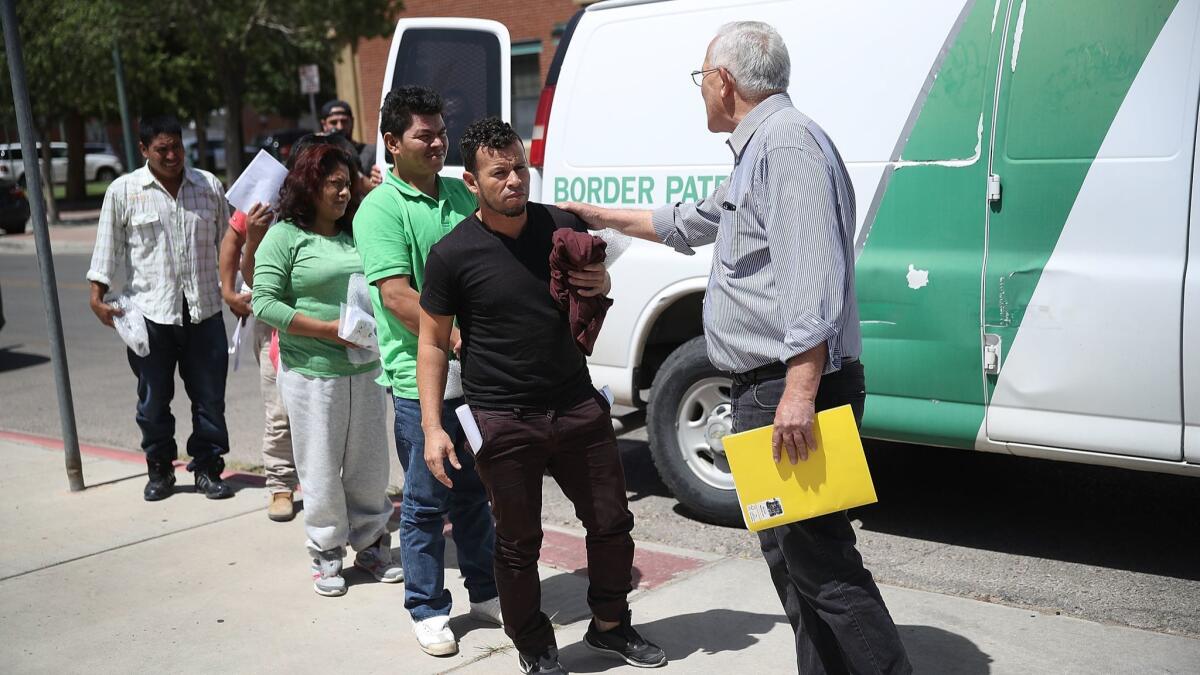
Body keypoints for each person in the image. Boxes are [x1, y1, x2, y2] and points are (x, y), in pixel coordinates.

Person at [559, 21, 912, 675]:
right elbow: (696, 218)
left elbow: (813, 281)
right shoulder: (763, 150)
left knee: (820, 557)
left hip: (789, 385)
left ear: (723, 81)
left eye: (702, 79)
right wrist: (605, 218)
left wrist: (801, 393)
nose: (701, 93)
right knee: (789, 553)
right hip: (767, 385)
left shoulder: (787, 146)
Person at [416, 117, 666, 675]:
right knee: (517, 541)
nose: (514, 181)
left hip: (576, 403)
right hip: (501, 416)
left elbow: (594, 281)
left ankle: (610, 627)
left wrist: (601, 284)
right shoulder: (452, 254)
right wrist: (434, 427)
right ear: (471, 181)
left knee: (611, 523)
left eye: (520, 168)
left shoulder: (558, 227)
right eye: (499, 172)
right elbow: (431, 343)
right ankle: (534, 645)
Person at [352, 86, 502, 655]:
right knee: (425, 498)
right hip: (422, 379)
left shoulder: (459, 196)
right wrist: (459, 337)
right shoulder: (380, 208)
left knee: (473, 492)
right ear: (393, 143)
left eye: (441, 132)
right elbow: (395, 295)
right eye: (425, 135)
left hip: (478, 374)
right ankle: (426, 607)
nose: (439, 142)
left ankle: (486, 593)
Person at [250, 143, 402, 597]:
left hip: (366, 367)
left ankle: (372, 544)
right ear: (308, 185)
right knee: (319, 465)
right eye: (333, 184)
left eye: (346, 184)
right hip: (312, 372)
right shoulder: (285, 237)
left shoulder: (358, 231)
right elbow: (264, 302)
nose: (342, 192)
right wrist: (327, 330)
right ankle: (326, 550)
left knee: (369, 465)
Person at [87, 115, 235, 502]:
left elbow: (227, 246)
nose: (172, 156)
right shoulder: (124, 191)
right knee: (153, 401)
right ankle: (160, 468)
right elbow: (107, 248)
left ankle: (207, 466)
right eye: (162, 149)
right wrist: (96, 295)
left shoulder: (208, 186)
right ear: (143, 150)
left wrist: (237, 290)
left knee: (210, 399)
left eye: (177, 147)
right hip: (151, 314)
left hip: (204, 312)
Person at [219, 202, 294, 520]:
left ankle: (333, 488)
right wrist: (228, 291)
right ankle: (280, 486)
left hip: (320, 313)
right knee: (279, 412)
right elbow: (233, 242)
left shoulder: (337, 187)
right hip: (272, 317)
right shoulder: (266, 194)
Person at [320, 99, 383, 190]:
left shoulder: (371, 152)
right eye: (333, 122)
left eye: (344, 121)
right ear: (324, 124)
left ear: (352, 122)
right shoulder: (318, 155)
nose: (340, 127)